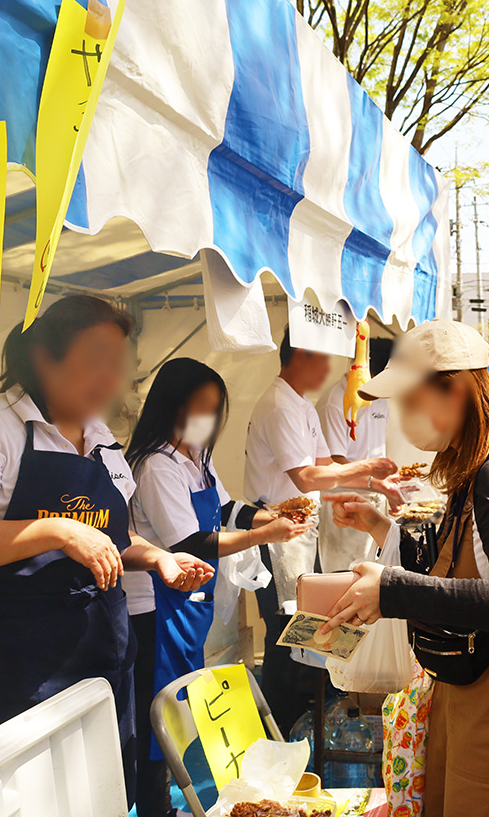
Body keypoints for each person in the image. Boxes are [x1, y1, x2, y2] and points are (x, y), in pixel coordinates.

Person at [0, 296, 214, 804]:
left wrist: (158, 559)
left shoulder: (101, 435)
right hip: (8, 657)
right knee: (19, 798)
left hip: (97, 647)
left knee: (92, 792)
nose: (109, 380)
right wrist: (57, 530)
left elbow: (113, 535)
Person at [318, 320, 489, 814]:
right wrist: (378, 526)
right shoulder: (473, 467)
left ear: (454, 391)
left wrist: (390, 591)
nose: (402, 416)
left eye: (410, 401)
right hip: (474, 684)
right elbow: (453, 570)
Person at [125, 358, 310, 815]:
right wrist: (264, 536)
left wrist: (268, 515)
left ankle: (179, 798)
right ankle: (153, 806)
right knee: (157, 722)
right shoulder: (155, 466)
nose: (207, 419)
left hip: (187, 604)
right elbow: (189, 542)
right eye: (198, 407)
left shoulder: (195, 456)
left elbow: (227, 508)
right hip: (153, 609)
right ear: (172, 405)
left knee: (180, 712)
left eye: (214, 409)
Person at [243, 326, 400, 729]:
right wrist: (365, 467)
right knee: (284, 634)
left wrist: (371, 482)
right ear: (300, 358)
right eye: (322, 357)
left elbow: (326, 469)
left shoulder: (301, 404)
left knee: (307, 625)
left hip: (300, 530)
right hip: (274, 529)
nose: (329, 367)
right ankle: (282, 724)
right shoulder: (280, 405)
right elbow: (307, 477)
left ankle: (308, 714)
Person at [319, 336, 396, 571]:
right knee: (346, 578)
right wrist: (375, 482)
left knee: (376, 577)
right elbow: (332, 464)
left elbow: (375, 451)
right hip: (344, 506)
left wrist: (388, 483)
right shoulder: (335, 401)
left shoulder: (381, 399)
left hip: (375, 500)